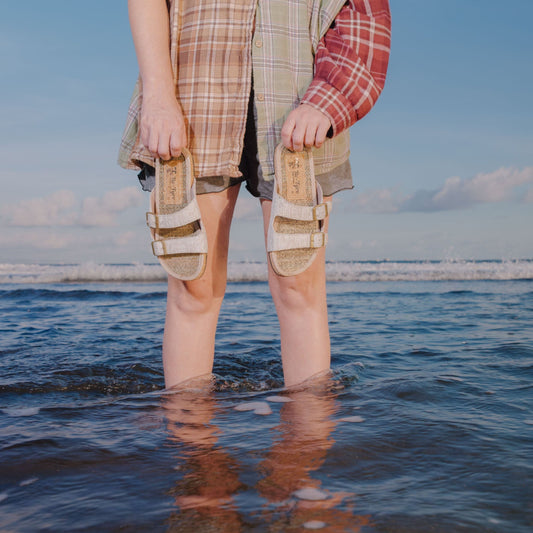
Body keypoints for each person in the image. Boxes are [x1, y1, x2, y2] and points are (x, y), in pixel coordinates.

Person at [119, 0, 391, 389]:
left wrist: (330, 99)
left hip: (301, 102)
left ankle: (307, 441)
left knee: (298, 285)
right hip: (195, 98)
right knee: (192, 284)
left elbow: (364, 13)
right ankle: (191, 440)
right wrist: (158, 96)